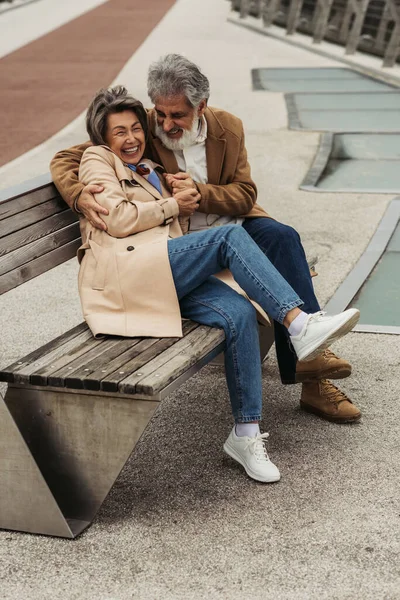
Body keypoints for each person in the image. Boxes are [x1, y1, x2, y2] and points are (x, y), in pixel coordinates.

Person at [68, 85, 359, 484]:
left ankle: (246, 433)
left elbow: (237, 194)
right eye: (121, 132)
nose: (133, 137)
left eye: (137, 128)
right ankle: (300, 325)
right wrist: (172, 204)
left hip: (160, 273)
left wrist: (187, 195)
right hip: (131, 276)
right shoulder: (97, 158)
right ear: (103, 135)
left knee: (239, 314)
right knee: (227, 241)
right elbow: (117, 219)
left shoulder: (156, 158)